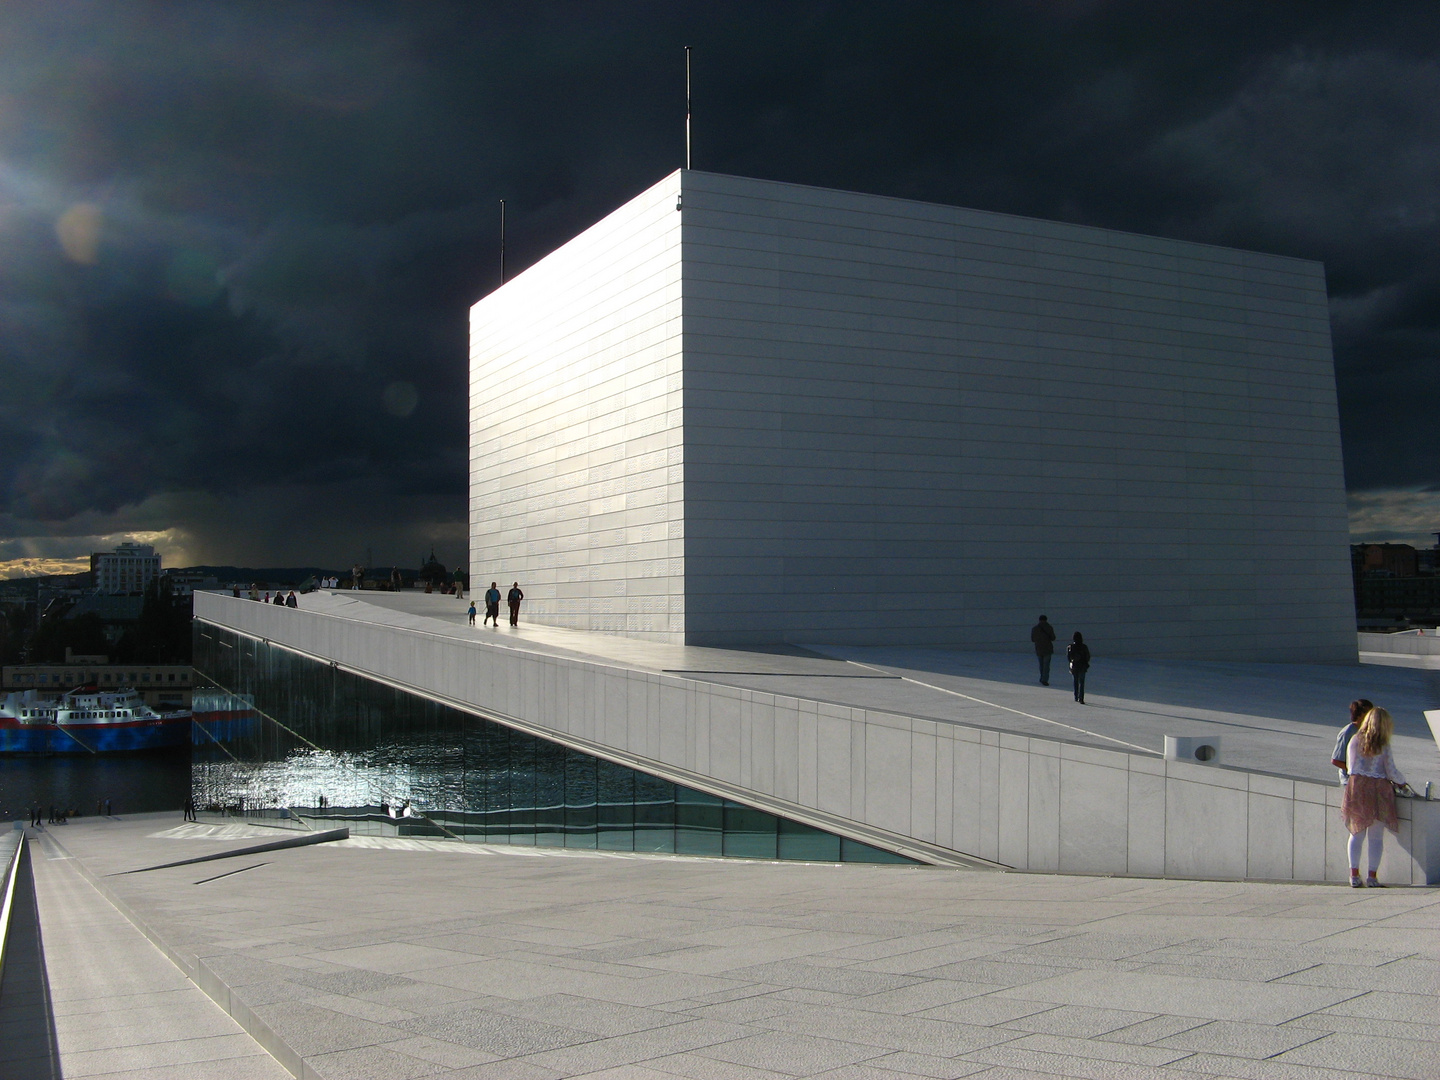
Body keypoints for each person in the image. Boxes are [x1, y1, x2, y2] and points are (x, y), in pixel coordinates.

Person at [1342, 706, 1414, 887]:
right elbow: (1391, 771)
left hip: (1358, 786)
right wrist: (1403, 783)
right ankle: (1372, 877)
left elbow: (1351, 767)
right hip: (1380, 789)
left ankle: (1354, 875)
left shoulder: (1355, 740)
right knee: (1376, 836)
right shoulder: (1383, 745)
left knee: (1356, 831)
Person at [1331, 698, 1373, 784]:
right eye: (1369, 713)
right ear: (1360, 714)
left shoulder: (1368, 731)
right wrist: (1355, 770)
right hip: (1350, 780)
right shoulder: (1347, 733)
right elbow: (1336, 760)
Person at [1030, 615, 1056, 686]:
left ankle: (1042, 678)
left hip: (1039, 648)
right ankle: (1045, 679)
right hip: (1048, 649)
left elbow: (1032, 639)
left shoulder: (1035, 628)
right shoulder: (1049, 628)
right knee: (1046, 665)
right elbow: (1053, 638)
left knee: (1041, 665)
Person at [1066, 631, 1090, 703]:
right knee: (1081, 682)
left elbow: (1068, 657)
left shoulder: (1070, 647)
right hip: (1082, 665)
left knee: (1075, 681)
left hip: (1075, 666)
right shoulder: (1084, 647)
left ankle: (1076, 696)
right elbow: (1087, 656)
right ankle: (1081, 698)